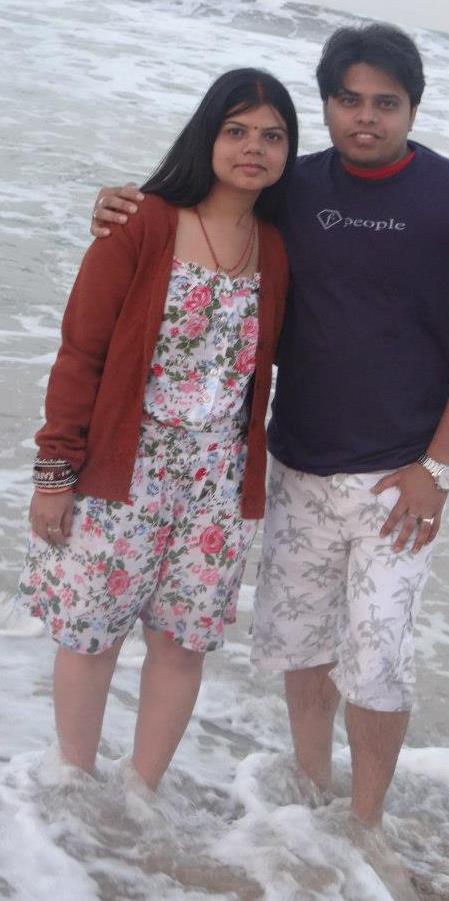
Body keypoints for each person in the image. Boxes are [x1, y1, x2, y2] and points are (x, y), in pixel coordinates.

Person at [89, 24, 449, 824]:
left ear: (413, 107)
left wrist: (438, 470)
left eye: (386, 103)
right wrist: (121, 202)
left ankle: (365, 825)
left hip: (400, 478)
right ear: (326, 105)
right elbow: (207, 208)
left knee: (379, 659)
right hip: (295, 463)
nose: (366, 117)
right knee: (303, 646)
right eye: (349, 100)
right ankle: (316, 795)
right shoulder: (295, 187)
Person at [17, 68, 298, 790]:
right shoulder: (140, 222)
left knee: (182, 642)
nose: (254, 147)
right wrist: (55, 474)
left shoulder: (277, 245)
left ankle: (142, 796)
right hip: (123, 470)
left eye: (272, 136)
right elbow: (80, 353)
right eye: (236, 130)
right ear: (207, 135)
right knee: (92, 635)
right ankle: (74, 787)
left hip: (218, 484)